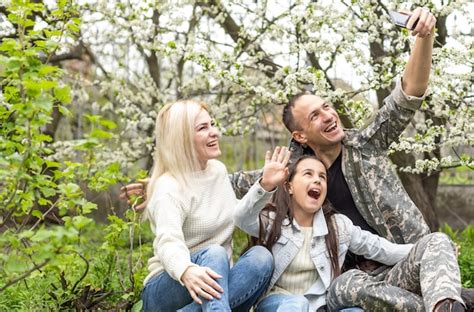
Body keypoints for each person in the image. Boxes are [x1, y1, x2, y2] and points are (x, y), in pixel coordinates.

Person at [234, 148, 465, 311]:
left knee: (437, 240)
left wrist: (430, 250)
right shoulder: (272, 220)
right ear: (290, 187)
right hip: (280, 304)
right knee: (298, 304)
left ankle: (443, 306)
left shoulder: (338, 225)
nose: (317, 181)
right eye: (308, 174)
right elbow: (242, 218)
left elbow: (384, 250)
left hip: (323, 306)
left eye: (322, 177)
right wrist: (265, 185)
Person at [140, 100, 273, 312]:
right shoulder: (168, 187)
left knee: (261, 257)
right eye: (203, 128)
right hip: (170, 286)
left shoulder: (217, 171)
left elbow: (236, 213)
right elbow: (168, 242)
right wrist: (186, 270)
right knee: (214, 253)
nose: (215, 133)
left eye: (212, 124)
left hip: (213, 286)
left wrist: (265, 186)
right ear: (181, 139)